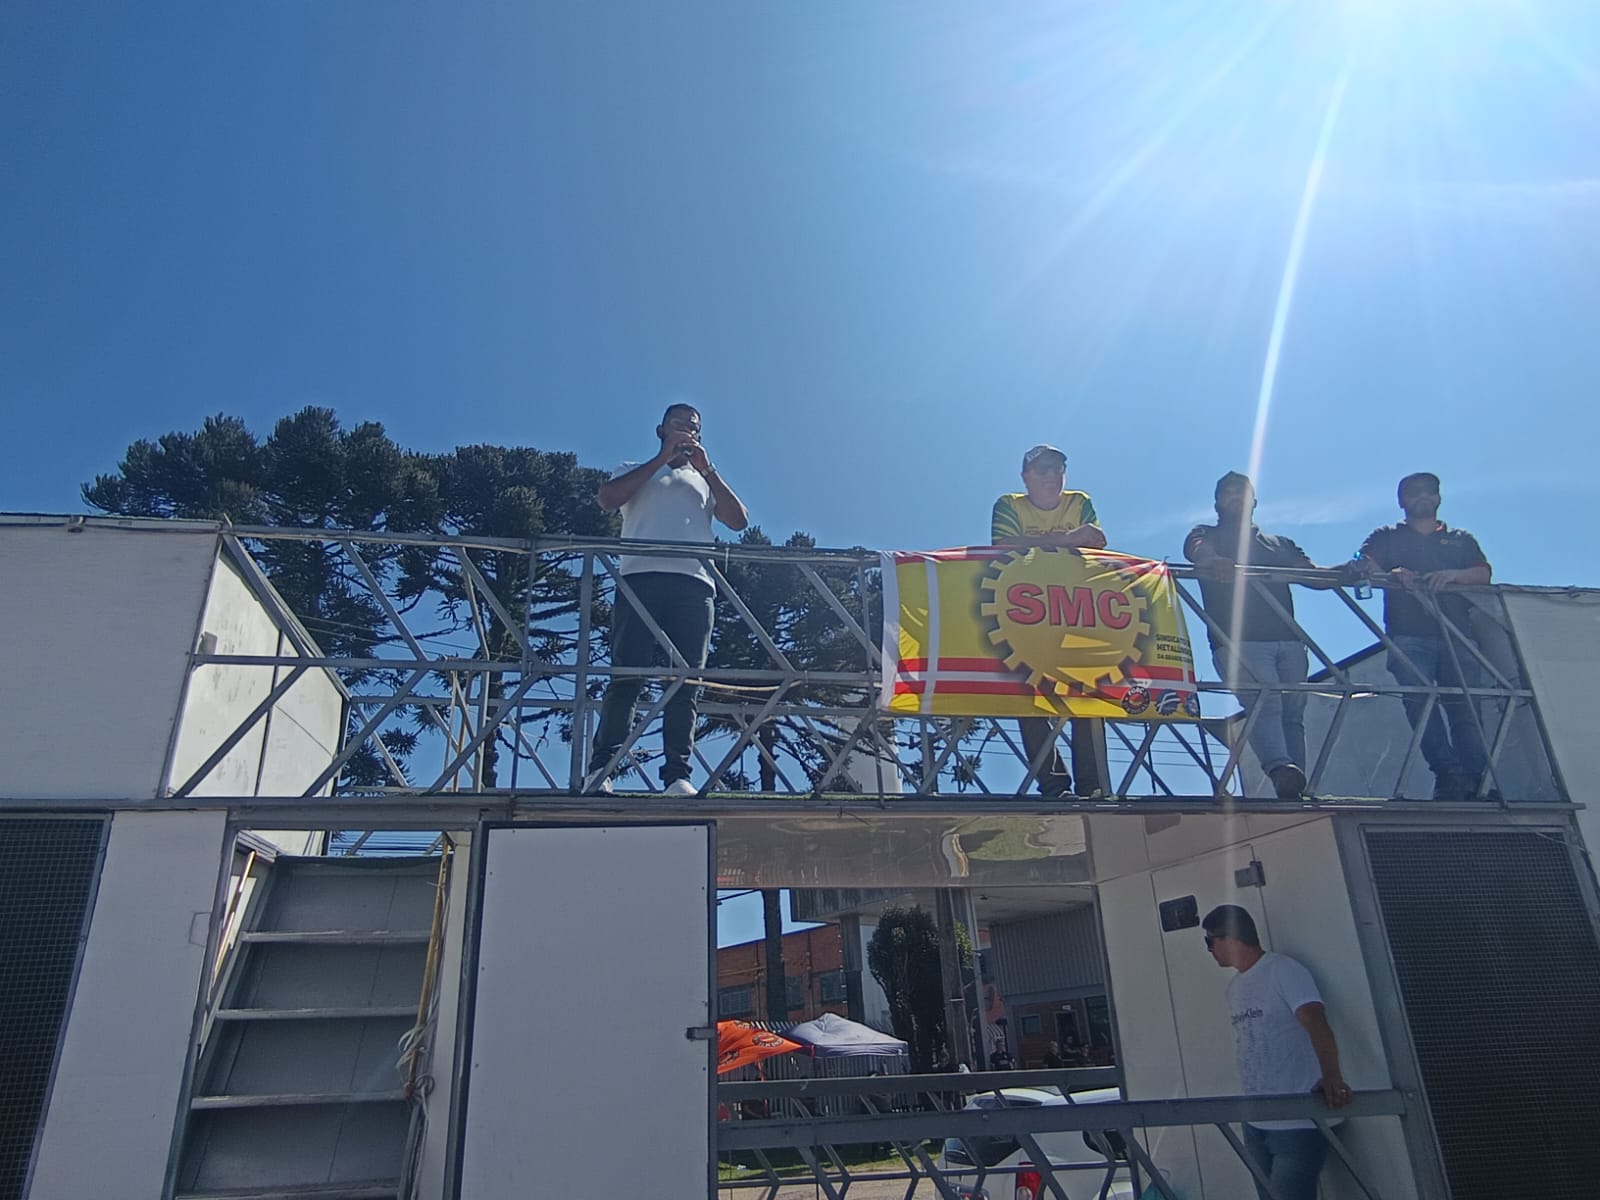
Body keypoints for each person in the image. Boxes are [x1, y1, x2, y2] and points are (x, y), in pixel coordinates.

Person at [587, 404, 748, 795]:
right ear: (661, 430)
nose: (687, 431)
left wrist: (708, 470)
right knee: (627, 675)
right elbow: (607, 499)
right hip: (639, 579)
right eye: (679, 424)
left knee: (686, 681)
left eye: (694, 427)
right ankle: (601, 769)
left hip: (694, 584)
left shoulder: (705, 481)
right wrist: (663, 458)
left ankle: (678, 775)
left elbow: (738, 520)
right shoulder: (632, 469)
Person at [1185, 472, 1335, 799]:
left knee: (1293, 711)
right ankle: (1280, 769)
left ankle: (1296, 783)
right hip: (1239, 641)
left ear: (1254, 500)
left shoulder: (1278, 543)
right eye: (1227, 493)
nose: (1235, 498)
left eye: (1242, 492)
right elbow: (1198, 551)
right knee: (1265, 703)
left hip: (1288, 641)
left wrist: (1347, 572)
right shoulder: (1206, 534)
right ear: (1217, 503)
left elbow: (1311, 574)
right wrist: (1214, 561)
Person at [1351, 472, 1492, 801]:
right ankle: (1448, 774)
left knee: (1466, 709)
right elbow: (1360, 564)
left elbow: (1483, 573)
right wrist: (1390, 574)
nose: (1423, 496)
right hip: (1408, 636)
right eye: (1414, 492)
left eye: (1430, 491)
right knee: (1421, 705)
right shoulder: (1387, 536)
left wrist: (1453, 575)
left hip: (1458, 634)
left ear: (1439, 498)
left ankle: (1477, 782)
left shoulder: (1460, 539)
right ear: (1402, 501)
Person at [1202, 904, 1352, 1200]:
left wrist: (1332, 1075)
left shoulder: (1283, 970)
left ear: (1230, 938)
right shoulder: (1234, 988)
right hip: (1257, 1118)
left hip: (1298, 1118)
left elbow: (1315, 1020)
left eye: (1210, 941)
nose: (1209, 950)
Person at [990, 444, 1107, 797]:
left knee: (1087, 692)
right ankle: (1054, 785)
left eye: (1058, 469)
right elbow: (1003, 547)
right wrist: (1067, 540)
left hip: (1077, 612)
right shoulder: (1008, 504)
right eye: (1042, 470)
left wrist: (1046, 545)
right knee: (1030, 697)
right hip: (1024, 617)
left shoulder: (1080, 500)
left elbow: (1096, 542)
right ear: (1025, 477)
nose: (1052, 476)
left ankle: (1092, 786)